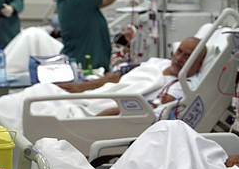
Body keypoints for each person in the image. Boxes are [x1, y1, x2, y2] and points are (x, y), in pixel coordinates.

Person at [57, 35, 207, 115]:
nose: (179, 58)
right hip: (100, 93)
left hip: (110, 105)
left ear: (198, 64)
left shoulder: (182, 86)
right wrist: (81, 87)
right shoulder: (158, 62)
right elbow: (118, 76)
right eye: (179, 51)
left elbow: (152, 106)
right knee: (46, 91)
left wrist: (108, 113)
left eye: (188, 56)